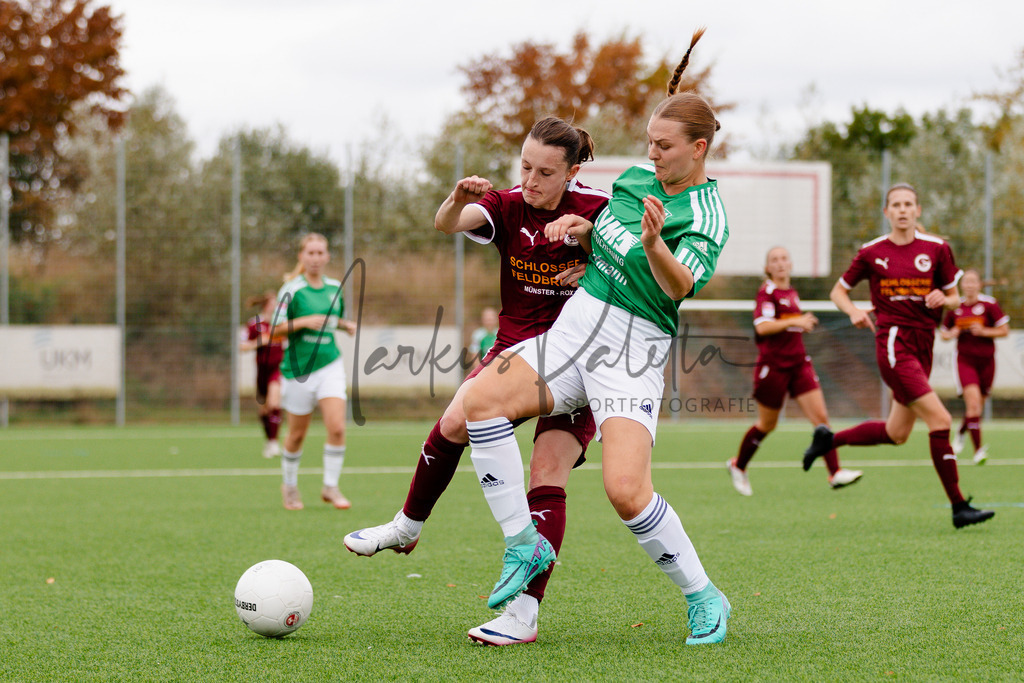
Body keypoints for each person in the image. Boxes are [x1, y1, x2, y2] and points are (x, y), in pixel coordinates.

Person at [461, 28, 731, 645]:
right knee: (479, 402)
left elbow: (679, 286)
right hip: (576, 325)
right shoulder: (637, 180)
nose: (652, 156)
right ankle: (524, 546)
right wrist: (585, 232)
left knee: (626, 491)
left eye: (664, 147)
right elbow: (603, 236)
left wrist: (656, 246)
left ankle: (703, 595)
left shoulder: (706, 212)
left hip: (631, 354)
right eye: (649, 144)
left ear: (699, 148)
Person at [343, 116, 610, 646]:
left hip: (578, 358)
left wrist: (593, 261)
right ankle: (407, 526)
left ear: (573, 171)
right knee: (453, 421)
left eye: (545, 172)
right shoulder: (508, 204)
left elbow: (637, 264)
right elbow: (448, 223)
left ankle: (523, 613)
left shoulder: (599, 210)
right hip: (512, 350)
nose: (530, 180)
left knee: (546, 470)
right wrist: (454, 197)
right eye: (525, 167)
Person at [803, 183, 995, 529]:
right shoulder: (872, 251)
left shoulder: (938, 249)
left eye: (909, 204)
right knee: (941, 421)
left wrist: (943, 298)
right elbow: (838, 291)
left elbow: (954, 298)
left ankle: (828, 440)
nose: (903, 210)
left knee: (897, 433)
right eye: (896, 204)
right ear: (887, 212)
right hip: (893, 343)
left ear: (918, 210)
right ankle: (958, 507)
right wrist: (852, 311)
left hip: (925, 344)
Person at [727, 247, 862, 495]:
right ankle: (739, 465)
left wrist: (797, 324)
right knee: (767, 424)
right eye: (774, 260)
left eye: (784, 259)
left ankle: (835, 473)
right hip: (773, 366)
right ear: (767, 268)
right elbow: (763, 327)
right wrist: (795, 321)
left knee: (821, 419)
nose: (780, 263)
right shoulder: (767, 292)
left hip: (799, 364)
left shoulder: (791, 292)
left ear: (790, 264)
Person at [270, 232, 357, 511]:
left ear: (327, 256)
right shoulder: (291, 289)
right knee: (296, 435)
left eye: (321, 253)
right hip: (298, 370)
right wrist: (304, 321)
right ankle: (290, 486)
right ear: (301, 256)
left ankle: (330, 486)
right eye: (311, 253)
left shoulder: (335, 288)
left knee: (337, 427)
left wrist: (345, 325)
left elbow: (330, 320)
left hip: (329, 364)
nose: (316, 258)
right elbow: (275, 331)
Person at [939, 269, 1009, 464]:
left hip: (987, 362)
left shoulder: (989, 304)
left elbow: (1004, 330)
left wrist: (984, 331)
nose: (969, 285)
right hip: (965, 361)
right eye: (966, 282)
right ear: (962, 286)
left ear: (979, 284)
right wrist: (952, 333)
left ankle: (961, 432)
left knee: (977, 408)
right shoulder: (955, 307)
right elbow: (944, 333)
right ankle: (978, 451)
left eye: (973, 282)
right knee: (973, 404)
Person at [240, 291, 285, 459]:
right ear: (267, 305)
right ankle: (269, 440)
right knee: (263, 411)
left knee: (274, 403)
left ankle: (274, 443)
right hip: (261, 371)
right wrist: (261, 341)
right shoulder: (254, 324)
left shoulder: (281, 325)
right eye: (275, 303)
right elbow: (242, 346)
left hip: (277, 370)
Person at [469, 306, 499, 371]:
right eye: (487, 319)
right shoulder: (477, 335)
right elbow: (474, 355)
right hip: (484, 369)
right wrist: (478, 371)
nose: (489, 322)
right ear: (483, 320)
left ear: (496, 319)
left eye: (491, 319)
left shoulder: (501, 334)